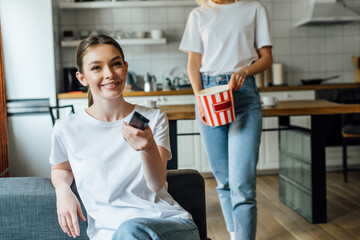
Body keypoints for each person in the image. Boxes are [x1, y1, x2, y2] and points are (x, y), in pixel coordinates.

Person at [50, 34, 200, 240]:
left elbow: (156, 184)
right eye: (96, 68)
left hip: (167, 225)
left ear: (126, 68)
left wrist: (147, 147)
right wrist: (62, 190)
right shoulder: (66, 128)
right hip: (109, 234)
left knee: (131, 230)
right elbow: (61, 168)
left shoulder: (151, 118)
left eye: (116, 64)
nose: (110, 74)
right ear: (82, 78)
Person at [179, 0, 273, 239]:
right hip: (209, 94)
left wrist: (245, 71)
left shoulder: (254, 9)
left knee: (242, 183)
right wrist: (199, 96)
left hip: (244, 95)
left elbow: (266, 57)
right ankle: (234, 234)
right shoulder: (199, 14)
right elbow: (193, 63)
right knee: (224, 180)